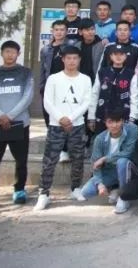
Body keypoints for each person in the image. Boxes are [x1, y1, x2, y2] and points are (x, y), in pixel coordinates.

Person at [34, 46, 92, 211]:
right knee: (49, 160)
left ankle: (75, 188)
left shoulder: (85, 79)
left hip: (77, 125)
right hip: (56, 125)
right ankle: (44, 193)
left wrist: (71, 118)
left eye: (75, 58)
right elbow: (47, 102)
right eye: (68, 58)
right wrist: (60, 118)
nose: (72, 61)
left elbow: (86, 102)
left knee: (78, 158)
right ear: (63, 59)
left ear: (79, 60)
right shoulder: (53, 78)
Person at [0, 41, 34, 207]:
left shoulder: (25, 73)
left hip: (20, 123)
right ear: (2, 53)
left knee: (21, 160)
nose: (10, 55)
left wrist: (9, 116)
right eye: (7, 51)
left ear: (18, 54)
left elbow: (28, 96)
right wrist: (0, 115)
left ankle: (19, 190)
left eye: (13, 52)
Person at [78, 109, 138, 213]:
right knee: (86, 192)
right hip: (109, 171)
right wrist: (100, 184)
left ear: (122, 121)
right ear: (105, 123)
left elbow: (128, 152)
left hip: (128, 168)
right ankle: (114, 188)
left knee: (122, 161)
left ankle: (124, 197)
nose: (114, 125)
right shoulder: (100, 139)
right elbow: (95, 164)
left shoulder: (132, 129)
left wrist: (105, 158)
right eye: (110, 122)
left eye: (117, 121)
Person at [88, 44, 138, 133]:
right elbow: (94, 94)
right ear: (111, 56)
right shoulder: (102, 72)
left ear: (125, 56)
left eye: (121, 54)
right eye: (115, 54)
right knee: (101, 138)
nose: (118, 57)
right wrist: (91, 117)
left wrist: (133, 117)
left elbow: (134, 97)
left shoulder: (131, 74)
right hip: (103, 114)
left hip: (123, 116)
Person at [39, 20, 74, 130]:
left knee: (66, 117)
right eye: (56, 30)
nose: (59, 32)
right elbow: (43, 70)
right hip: (49, 87)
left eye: (62, 30)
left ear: (66, 31)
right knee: (49, 115)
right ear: (52, 31)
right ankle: (51, 135)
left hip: (67, 87)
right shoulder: (45, 49)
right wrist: (42, 87)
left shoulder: (72, 46)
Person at [78, 18, 105, 82]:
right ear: (80, 32)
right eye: (87, 30)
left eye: (92, 29)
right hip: (80, 80)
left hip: (97, 80)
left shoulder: (102, 45)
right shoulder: (77, 46)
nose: (90, 32)